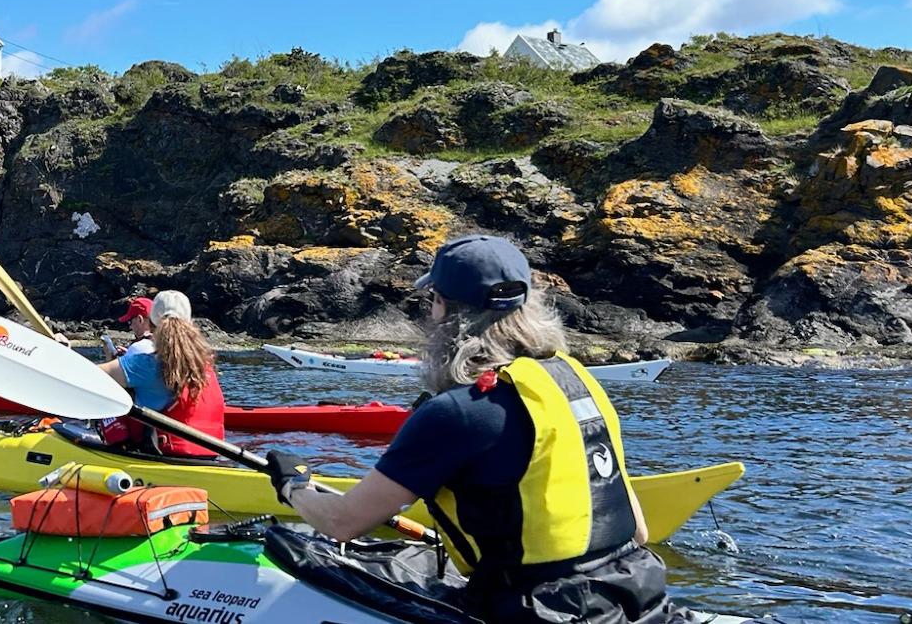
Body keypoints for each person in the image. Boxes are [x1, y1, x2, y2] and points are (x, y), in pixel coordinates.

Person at [263, 235, 674, 624]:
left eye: (433, 302)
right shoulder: (577, 382)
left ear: (444, 308)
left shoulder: (459, 412)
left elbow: (341, 523)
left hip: (536, 612)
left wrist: (294, 485)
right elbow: (638, 530)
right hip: (636, 595)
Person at [91, 291, 225, 458]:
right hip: (210, 456)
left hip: (164, 457)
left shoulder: (146, 364)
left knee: (112, 391)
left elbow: (89, 376)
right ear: (190, 323)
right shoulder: (204, 366)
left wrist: (64, 350)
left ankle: (118, 447)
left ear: (152, 323)